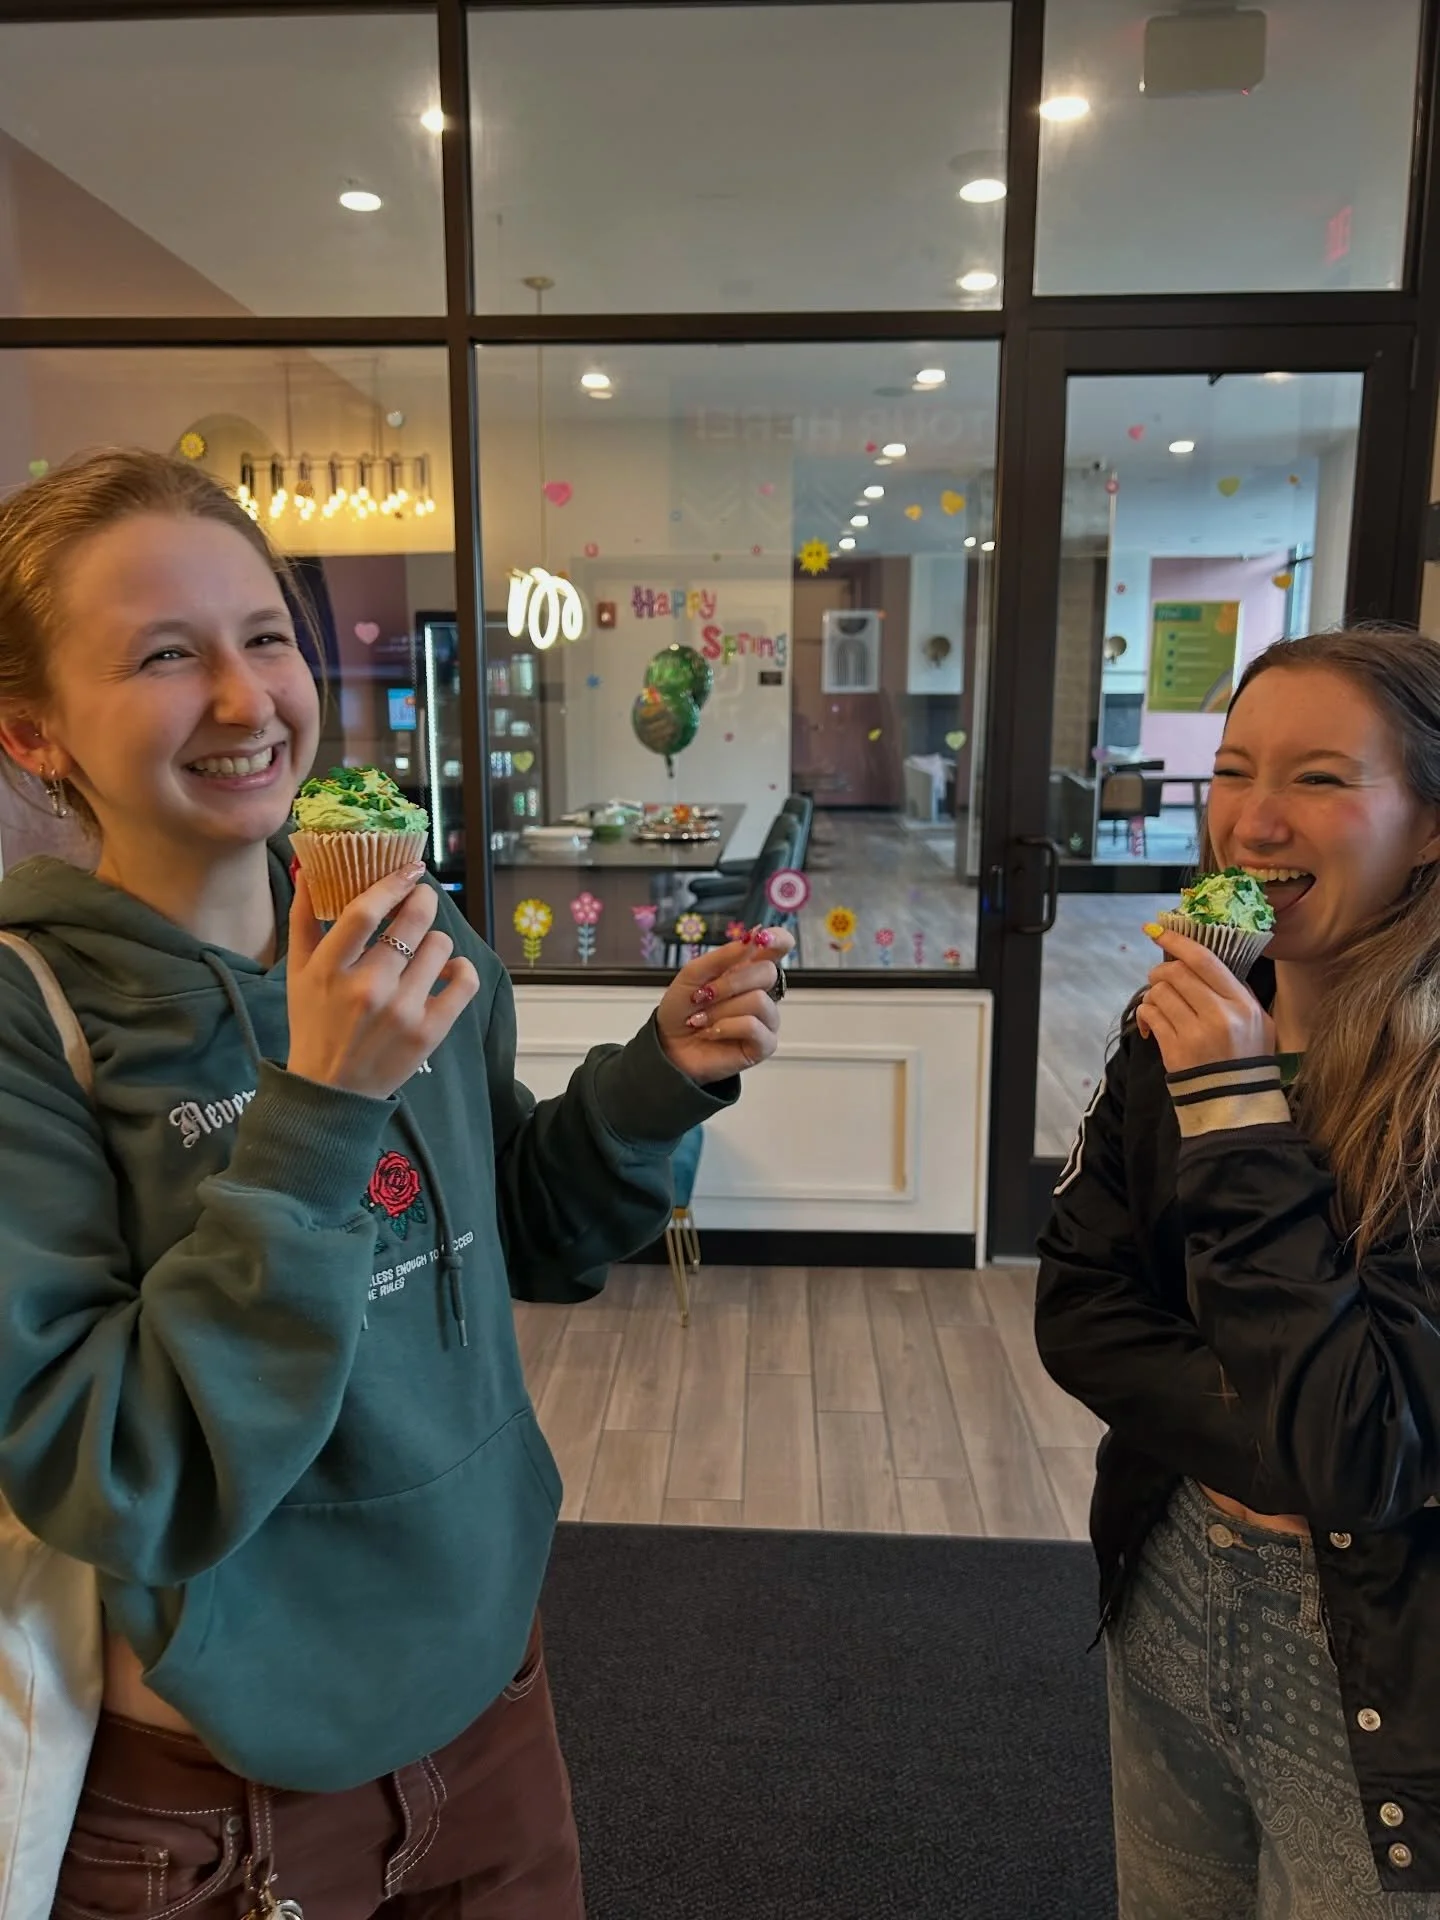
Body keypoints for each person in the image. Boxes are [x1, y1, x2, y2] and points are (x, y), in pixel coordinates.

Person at [0, 447, 793, 1919]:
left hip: (492, 1694)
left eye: (265, 638)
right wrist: (319, 1105)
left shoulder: (413, 940)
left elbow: (528, 1241)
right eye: (166, 656)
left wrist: (659, 1072)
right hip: (220, 1800)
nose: (246, 702)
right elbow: (110, 1465)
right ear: (35, 731)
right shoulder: (30, 1022)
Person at [1036, 626, 1440, 1916]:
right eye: (1232, 770)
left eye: (1321, 777)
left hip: (1381, 1650)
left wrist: (1235, 1104)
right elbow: (1081, 1310)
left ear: (1430, 826)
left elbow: (1367, 1452)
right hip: (1168, 1572)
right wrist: (1285, 1442)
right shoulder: (1190, 1015)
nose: (1254, 822)